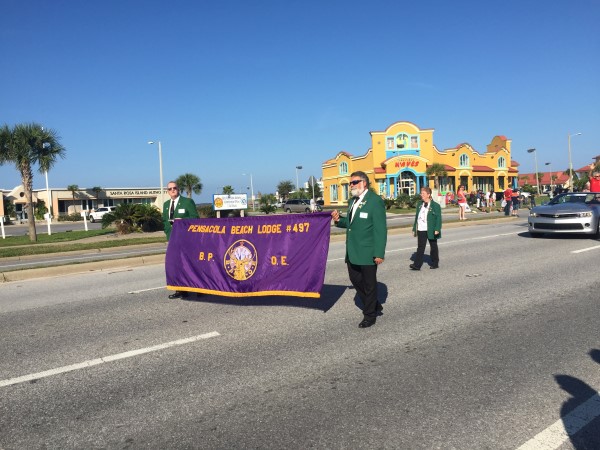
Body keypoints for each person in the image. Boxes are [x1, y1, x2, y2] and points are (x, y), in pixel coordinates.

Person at [331, 171, 387, 329]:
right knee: (355, 280)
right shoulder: (352, 201)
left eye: (354, 182)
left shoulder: (374, 201)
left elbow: (380, 229)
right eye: (350, 183)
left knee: (369, 284)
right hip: (353, 251)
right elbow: (350, 224)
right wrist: (338, 220)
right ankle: (374, 304)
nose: (351, 186)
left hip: (368, 252)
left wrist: (379, 253)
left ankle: (369, 315)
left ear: (364, 183)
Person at [162, 180, 200, 299]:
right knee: (176, 265)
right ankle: (180, 290)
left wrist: (182, 221)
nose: (172, 190)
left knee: (190, 263)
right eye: (170, 189)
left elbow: (195, 218)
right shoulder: (166, 204)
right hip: (173, 239)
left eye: (174, 188)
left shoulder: (187, 202)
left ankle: (200, 288)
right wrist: (168, 233)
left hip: (186, 238)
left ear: (178, 189)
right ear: (167, 191)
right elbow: (165, 221)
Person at [410, 187, 442, 271]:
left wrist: (437, 228)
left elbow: (438, 218)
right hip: (421, 229)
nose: (421, 195)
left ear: (428, 195)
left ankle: (435, 263)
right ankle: (417, 265)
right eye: (421, 193)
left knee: (433, 246)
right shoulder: (420, 204)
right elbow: (417, 217)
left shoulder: (435, 205)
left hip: (431, 229)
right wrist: (414, 228)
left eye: (423, 194)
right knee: (420, 247)